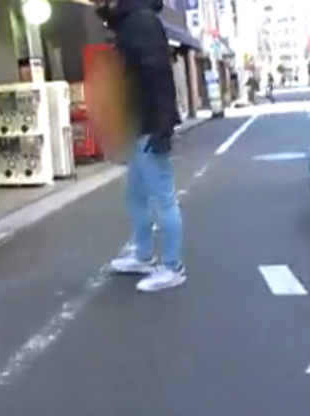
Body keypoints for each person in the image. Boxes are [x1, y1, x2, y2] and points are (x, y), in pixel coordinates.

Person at [94, 0, 185, 291]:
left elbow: (159, 76)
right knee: (136, 194)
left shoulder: (141, 21)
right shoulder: (128, 21)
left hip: (149, 124)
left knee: (163, 197)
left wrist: (163, 125)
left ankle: (172, 266)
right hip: (138, 123)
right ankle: (144, 256)